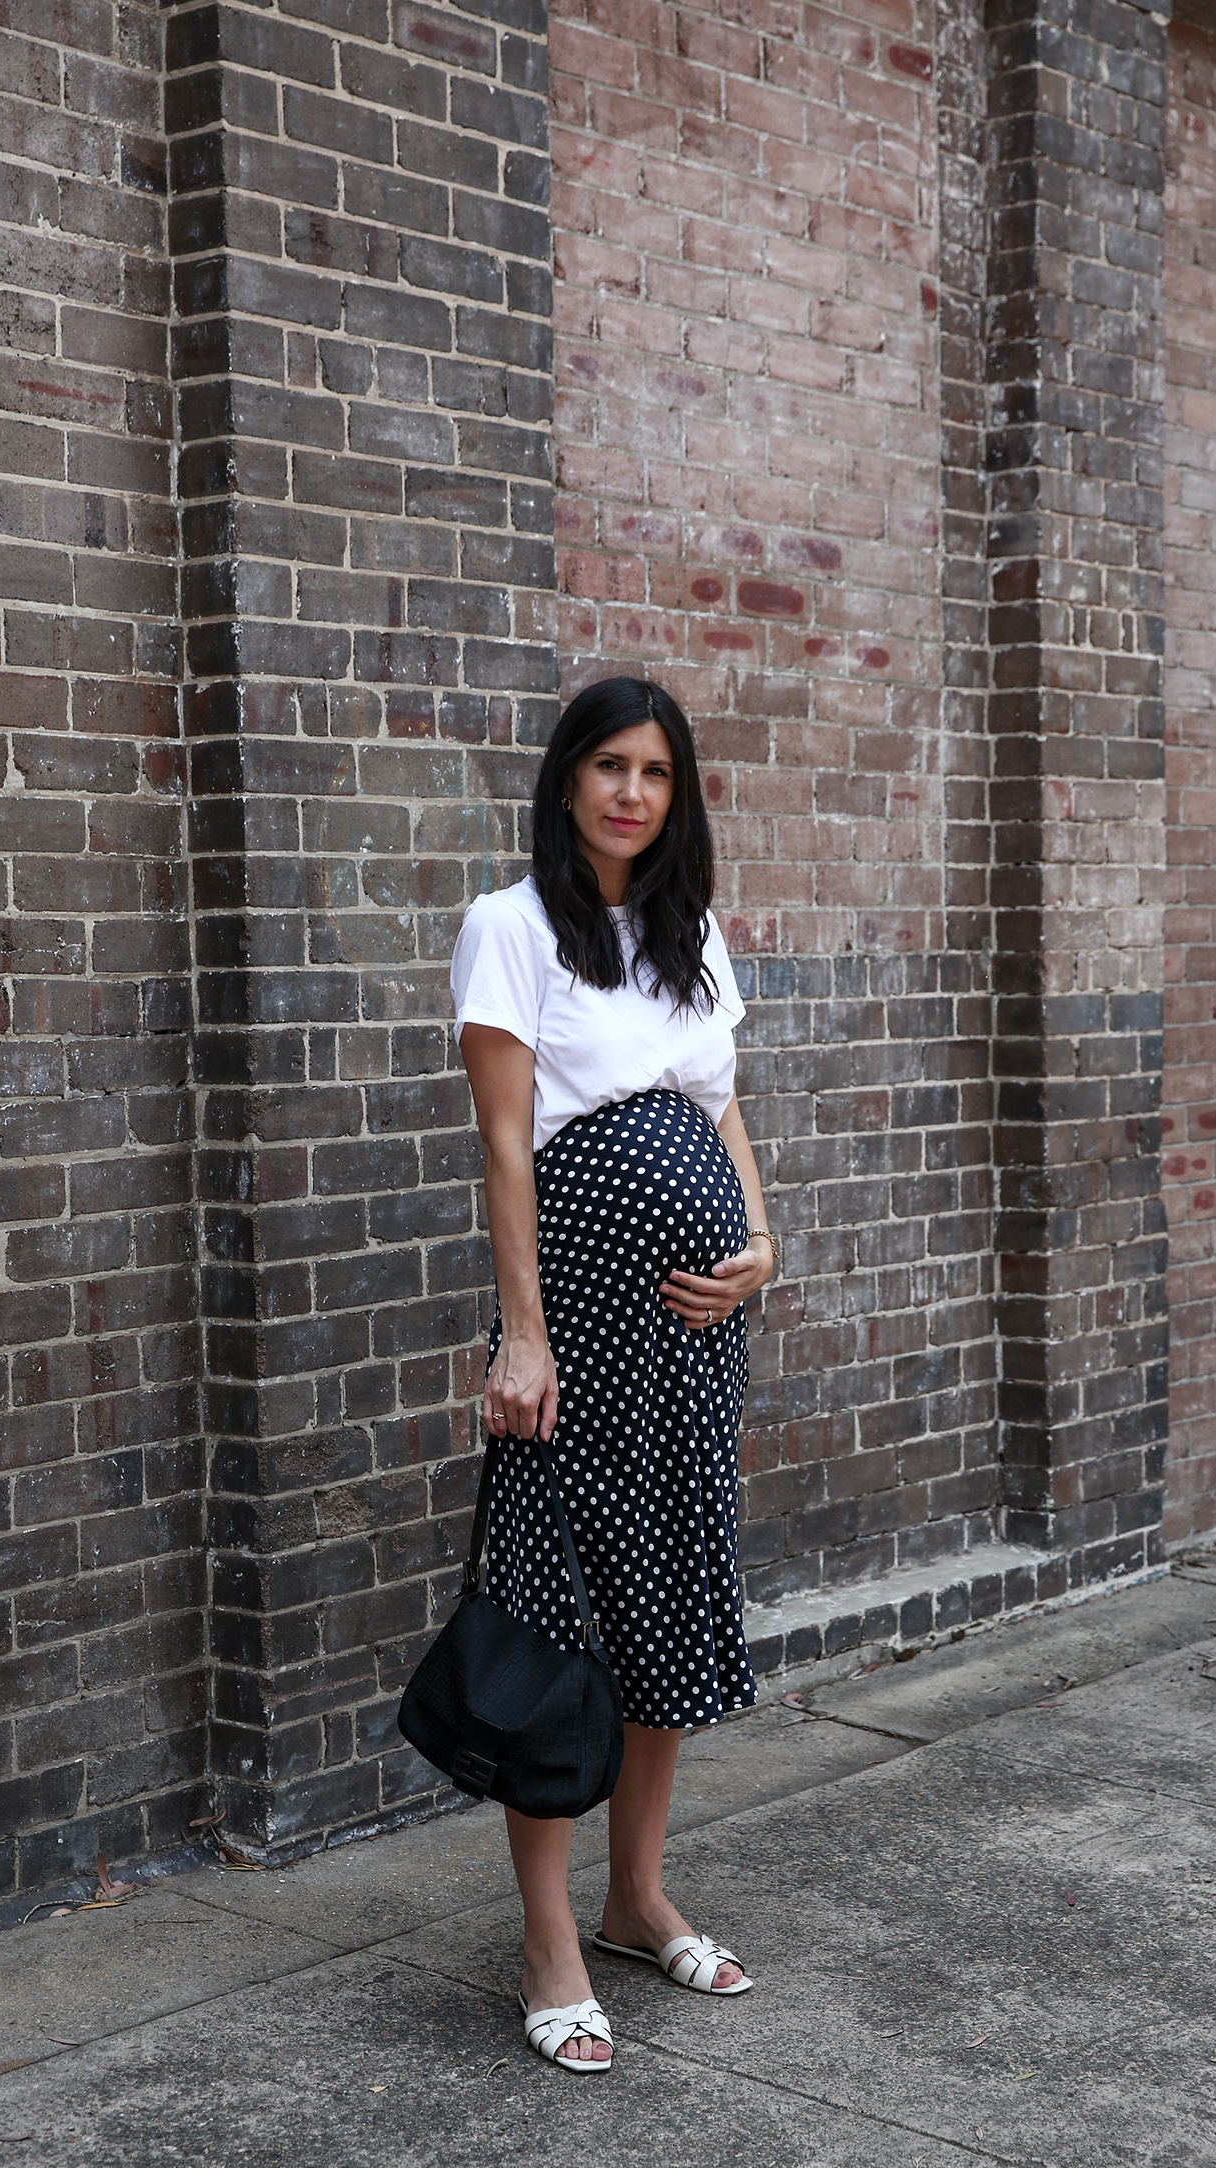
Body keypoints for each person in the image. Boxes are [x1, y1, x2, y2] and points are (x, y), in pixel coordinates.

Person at [449, 674, 779, 2075]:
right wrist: (522, 1336)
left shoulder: (690, 931)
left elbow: (721, 1104)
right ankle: (549, 1939)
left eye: (655, 769)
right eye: (609, 765)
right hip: (576, 1328)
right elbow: (509, 1145)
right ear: (567, 777)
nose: (632, 791)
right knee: (557, 1611)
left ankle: (638, 1895)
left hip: (697, 1334)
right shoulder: (510, 929)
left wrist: (760, 1238)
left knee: (666, 1598)